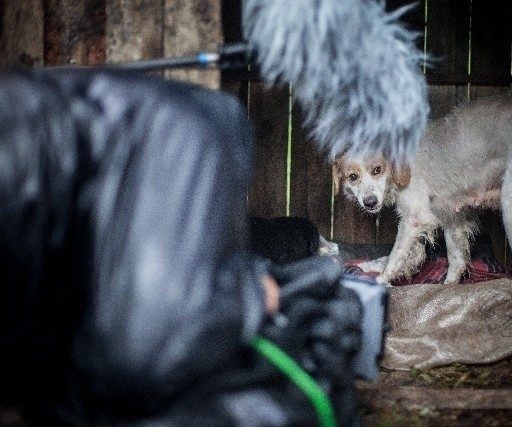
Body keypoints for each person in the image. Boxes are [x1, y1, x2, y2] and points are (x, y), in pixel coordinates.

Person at [0, 68, 361, 425]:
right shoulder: (181, 131)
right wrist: (248, 295)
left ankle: (298, 239)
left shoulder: (176, 137)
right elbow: (144, 349)